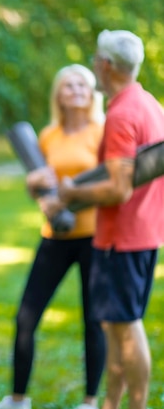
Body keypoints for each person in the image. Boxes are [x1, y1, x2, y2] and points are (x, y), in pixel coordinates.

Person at [0, 65, 107, 409]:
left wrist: (68, 197)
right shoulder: (48, 135)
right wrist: (35, 190)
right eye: (69, 85)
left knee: (93, 322)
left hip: (93, 238)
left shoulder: (103, 132)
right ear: (59, 94)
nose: (76, 90)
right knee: (25, 318)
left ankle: (90, 401)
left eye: (82, 83)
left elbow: (111, 184)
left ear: (93, 91)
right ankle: (18, 399)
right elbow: (39, 185)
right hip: (54, 237)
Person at [57, 30, 164, 409]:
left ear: (104, 65)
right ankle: (111, 405)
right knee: (115, 329)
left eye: (94, 60)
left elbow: (118, 189)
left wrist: (72, 193)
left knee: (126, 328)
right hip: (144, 234)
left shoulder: (121, 114)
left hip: (122, 238)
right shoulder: (149, 103)